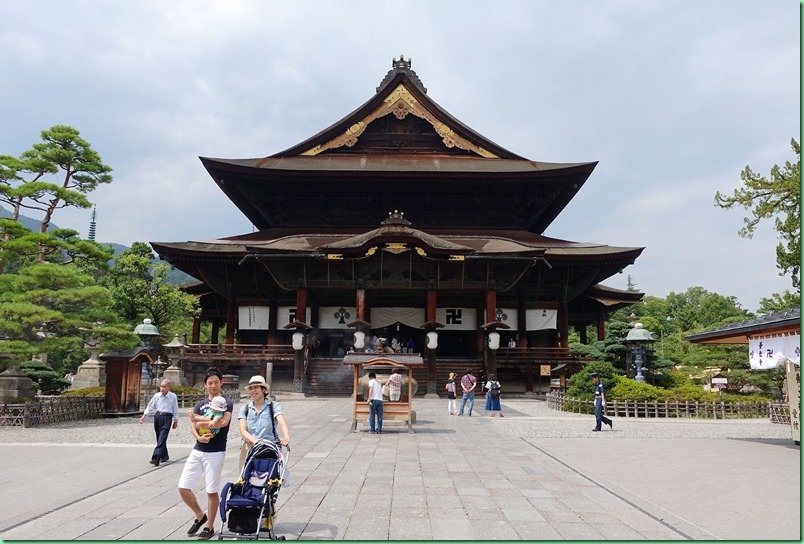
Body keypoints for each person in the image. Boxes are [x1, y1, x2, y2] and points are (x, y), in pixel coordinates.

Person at [178, 367, 234, 540]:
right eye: (210, 383)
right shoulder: (200, 404)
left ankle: (209, 526)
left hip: (216, 451)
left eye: (216, 382)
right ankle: (199, 515)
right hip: (198, 449)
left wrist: (200, 421)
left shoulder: (226, 402)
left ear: (221, 383)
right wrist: (198, 436)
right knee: (183, 487)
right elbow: (192, 426)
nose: (213, 385)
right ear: (205, 385)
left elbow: (223, 422)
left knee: (211, 490)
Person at [238, 375, 290, 471]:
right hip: (249, 447)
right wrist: (255, 441)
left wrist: (286, 437)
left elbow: (282, 422)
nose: (253, 391)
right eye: (250, 388)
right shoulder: (244, 409)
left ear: (263, 389)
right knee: (245, 479)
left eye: (256, 387)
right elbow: (242, 430)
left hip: (269, 448)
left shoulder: (273, 406)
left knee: (269, 479)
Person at [139, 378, 179, 466]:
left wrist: (175, 421)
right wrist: (144, 415)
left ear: (168, 387)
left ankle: (156, 458)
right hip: (158, 416)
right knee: (159, 437)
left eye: (164, 387)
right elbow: (150, 406)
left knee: (162, 437)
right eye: (161, 386)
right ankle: (164, 455)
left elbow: (175, 409)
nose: (162, 388)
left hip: (167, 417)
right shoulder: (157, 396)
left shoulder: (173, 396)